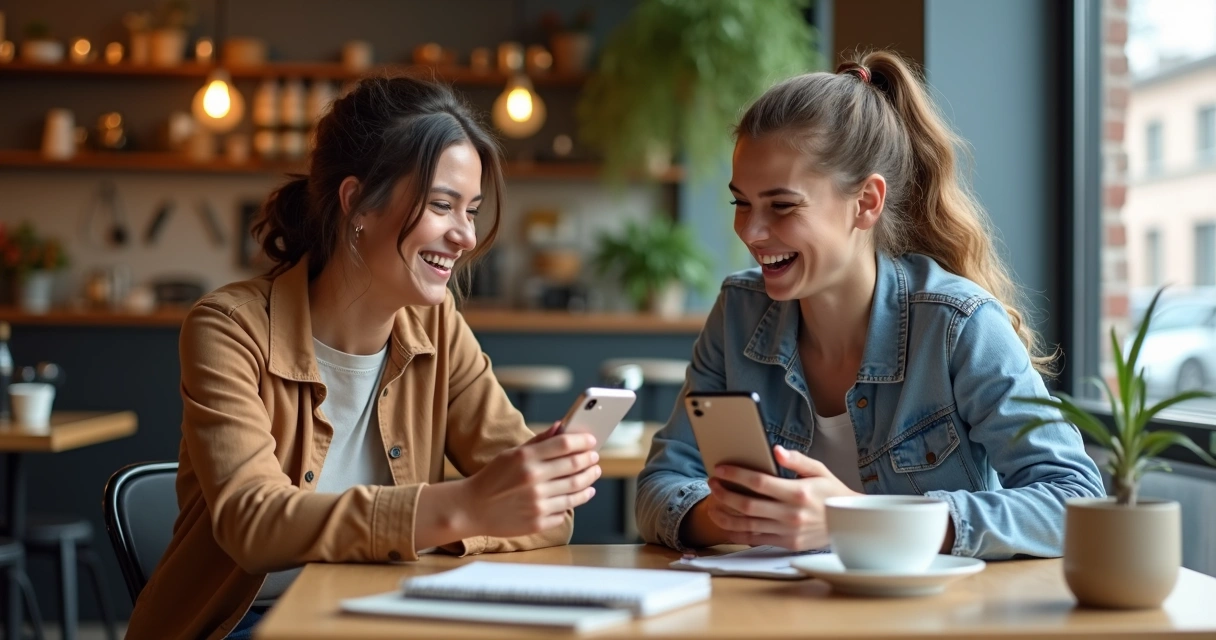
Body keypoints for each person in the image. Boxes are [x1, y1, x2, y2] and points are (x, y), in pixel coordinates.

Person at [126, 76, 602, 640]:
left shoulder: (439, 326)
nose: (466, 236)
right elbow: (251, 521)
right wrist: (462, 508)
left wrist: (473, 513)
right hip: (242, 623)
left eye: (471, 210)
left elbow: (550, 513)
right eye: (442, 205)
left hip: (374, 616)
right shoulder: (230, 328)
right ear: (357, 202)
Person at [636, 51, 1104, 559]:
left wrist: (855, 520)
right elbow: (660, 484)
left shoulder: (959, 326)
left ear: (866, 202)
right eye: (741, 202)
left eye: (782, 205)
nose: (750, 231)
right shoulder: (738, 313)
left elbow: (1075, 502)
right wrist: (738, 517)